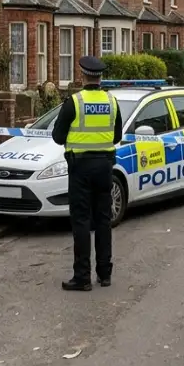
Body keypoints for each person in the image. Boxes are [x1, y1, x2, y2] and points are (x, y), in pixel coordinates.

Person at [51, 55, 123, 291]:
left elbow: (58, 137)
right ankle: (105, 274)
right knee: (103, 220)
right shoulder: (112, 102)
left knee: (81, 220)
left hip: (80, 167)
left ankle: (82, 277)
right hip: (104, 166)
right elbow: (117, 136)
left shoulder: (75, 102)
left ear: (83, 76)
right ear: (101, 77)